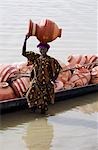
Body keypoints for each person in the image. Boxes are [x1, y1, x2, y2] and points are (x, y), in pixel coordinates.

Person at [22, 35, 62, 114]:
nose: (42, 50)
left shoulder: (51, 60)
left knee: (44, 103)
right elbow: (24, 53)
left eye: (43, 49)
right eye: (40, 49)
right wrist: (25, 40)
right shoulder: (35, 57)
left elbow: (58, 69)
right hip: (36, 82)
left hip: (46, 84)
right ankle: (34, 114)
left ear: (47, 50)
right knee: (29, 96)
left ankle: (43, 117)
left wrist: (53, 79)